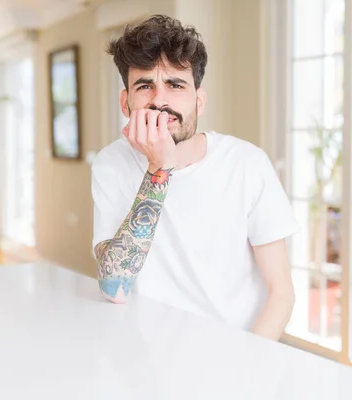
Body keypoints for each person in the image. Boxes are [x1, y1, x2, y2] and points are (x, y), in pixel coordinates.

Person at [92, 15, 299, 341]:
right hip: (145, 354)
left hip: (236, 353)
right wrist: (159, 169)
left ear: (198, 101)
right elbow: (113, 286)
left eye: (175, 85)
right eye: (145, 85)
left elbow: (282, 293)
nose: (159, 100)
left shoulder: (247, 164)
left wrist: (248, 366)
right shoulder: (110, 164)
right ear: (125, 102)